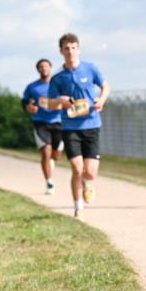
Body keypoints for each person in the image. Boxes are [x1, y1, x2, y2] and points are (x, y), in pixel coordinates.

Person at [48, 33, 110, 218]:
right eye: (66, 48)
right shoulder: (58, 78)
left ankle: (88, 184)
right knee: (77, 168)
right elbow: (49, 103)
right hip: (70, 127)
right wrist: (61, 100)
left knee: (89, 173)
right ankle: (78, 207)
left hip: (91, 124)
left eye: (73, 47)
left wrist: (101, 100)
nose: (70, 51)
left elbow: (106, 86)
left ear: (79, 49)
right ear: (61, 51)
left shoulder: (91, 68)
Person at [22, 58, 64, 195]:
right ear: (38, 69)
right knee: (46, 151)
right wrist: (29, 107)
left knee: (56, 155)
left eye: (46, 66)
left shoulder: (59, 84)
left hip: (58, 121)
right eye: (41, 66)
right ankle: (49, 182)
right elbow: (25, 102)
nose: (44, 68)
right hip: (40, 122)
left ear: (50, 68)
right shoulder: (32, 87)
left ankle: (52, 160)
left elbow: (68, 99)